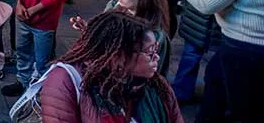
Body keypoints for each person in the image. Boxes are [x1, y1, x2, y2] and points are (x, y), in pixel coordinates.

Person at [38, 11, 183, 123]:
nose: (156, 57)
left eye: (156, 50)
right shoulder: (64, 81)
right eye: (150, 52)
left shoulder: (157, 85)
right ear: (119, 55)